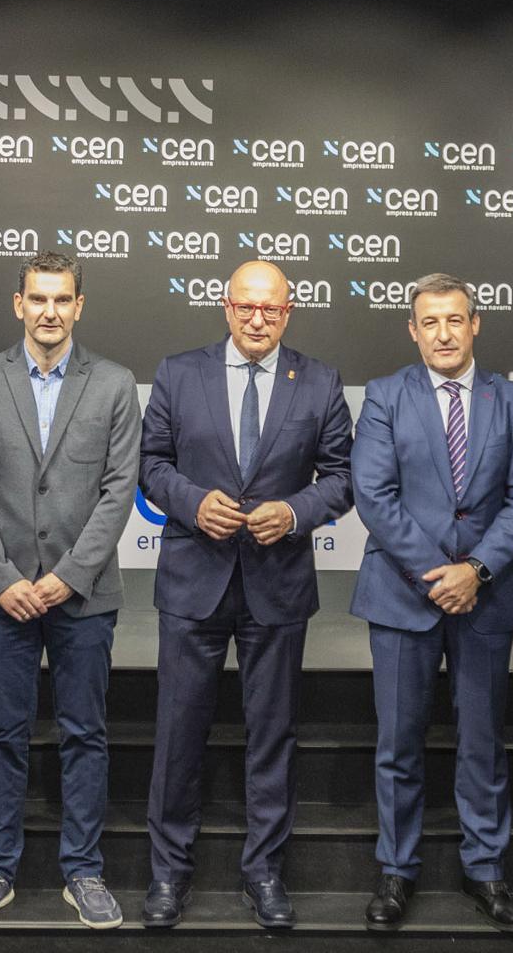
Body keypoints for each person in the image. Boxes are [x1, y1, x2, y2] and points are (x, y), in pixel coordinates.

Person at [138, 259, 354, 930]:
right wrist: (192, 502)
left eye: (273, 309)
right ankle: (168, 875)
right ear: (226, 307)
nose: (258, 319)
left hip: (277, 585)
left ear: (289, 312)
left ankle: (264, 872)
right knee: (178, 735)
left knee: (272, 736)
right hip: (193, 581)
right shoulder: (179, 372)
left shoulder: (319, 381)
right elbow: (151, 465)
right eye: (247, 306)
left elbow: (343, 476)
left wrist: (295, 512)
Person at [0, 252, 141, 931]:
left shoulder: (114, 385)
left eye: (62, 300)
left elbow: (118, 494)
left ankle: (82, 872)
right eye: (38, 299)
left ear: (79, 306)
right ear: (18, 304)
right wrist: (2, 580)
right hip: (0, 599)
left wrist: (63, 578)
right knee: (4, 733)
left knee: (85, 733)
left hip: (82, 596)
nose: (50, 311)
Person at [350, 272, 513, 934]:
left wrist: (478, 570)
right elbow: (374, 496)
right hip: (405, 595)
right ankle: (396, 870)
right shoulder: (384, 396)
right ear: (413, 329)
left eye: (454, 320)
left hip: (485, 599)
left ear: (475, 324)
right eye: (429, 321)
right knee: (398, 744)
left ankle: (485, 868)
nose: (442, 333)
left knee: (483, 743)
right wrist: (442, 572)